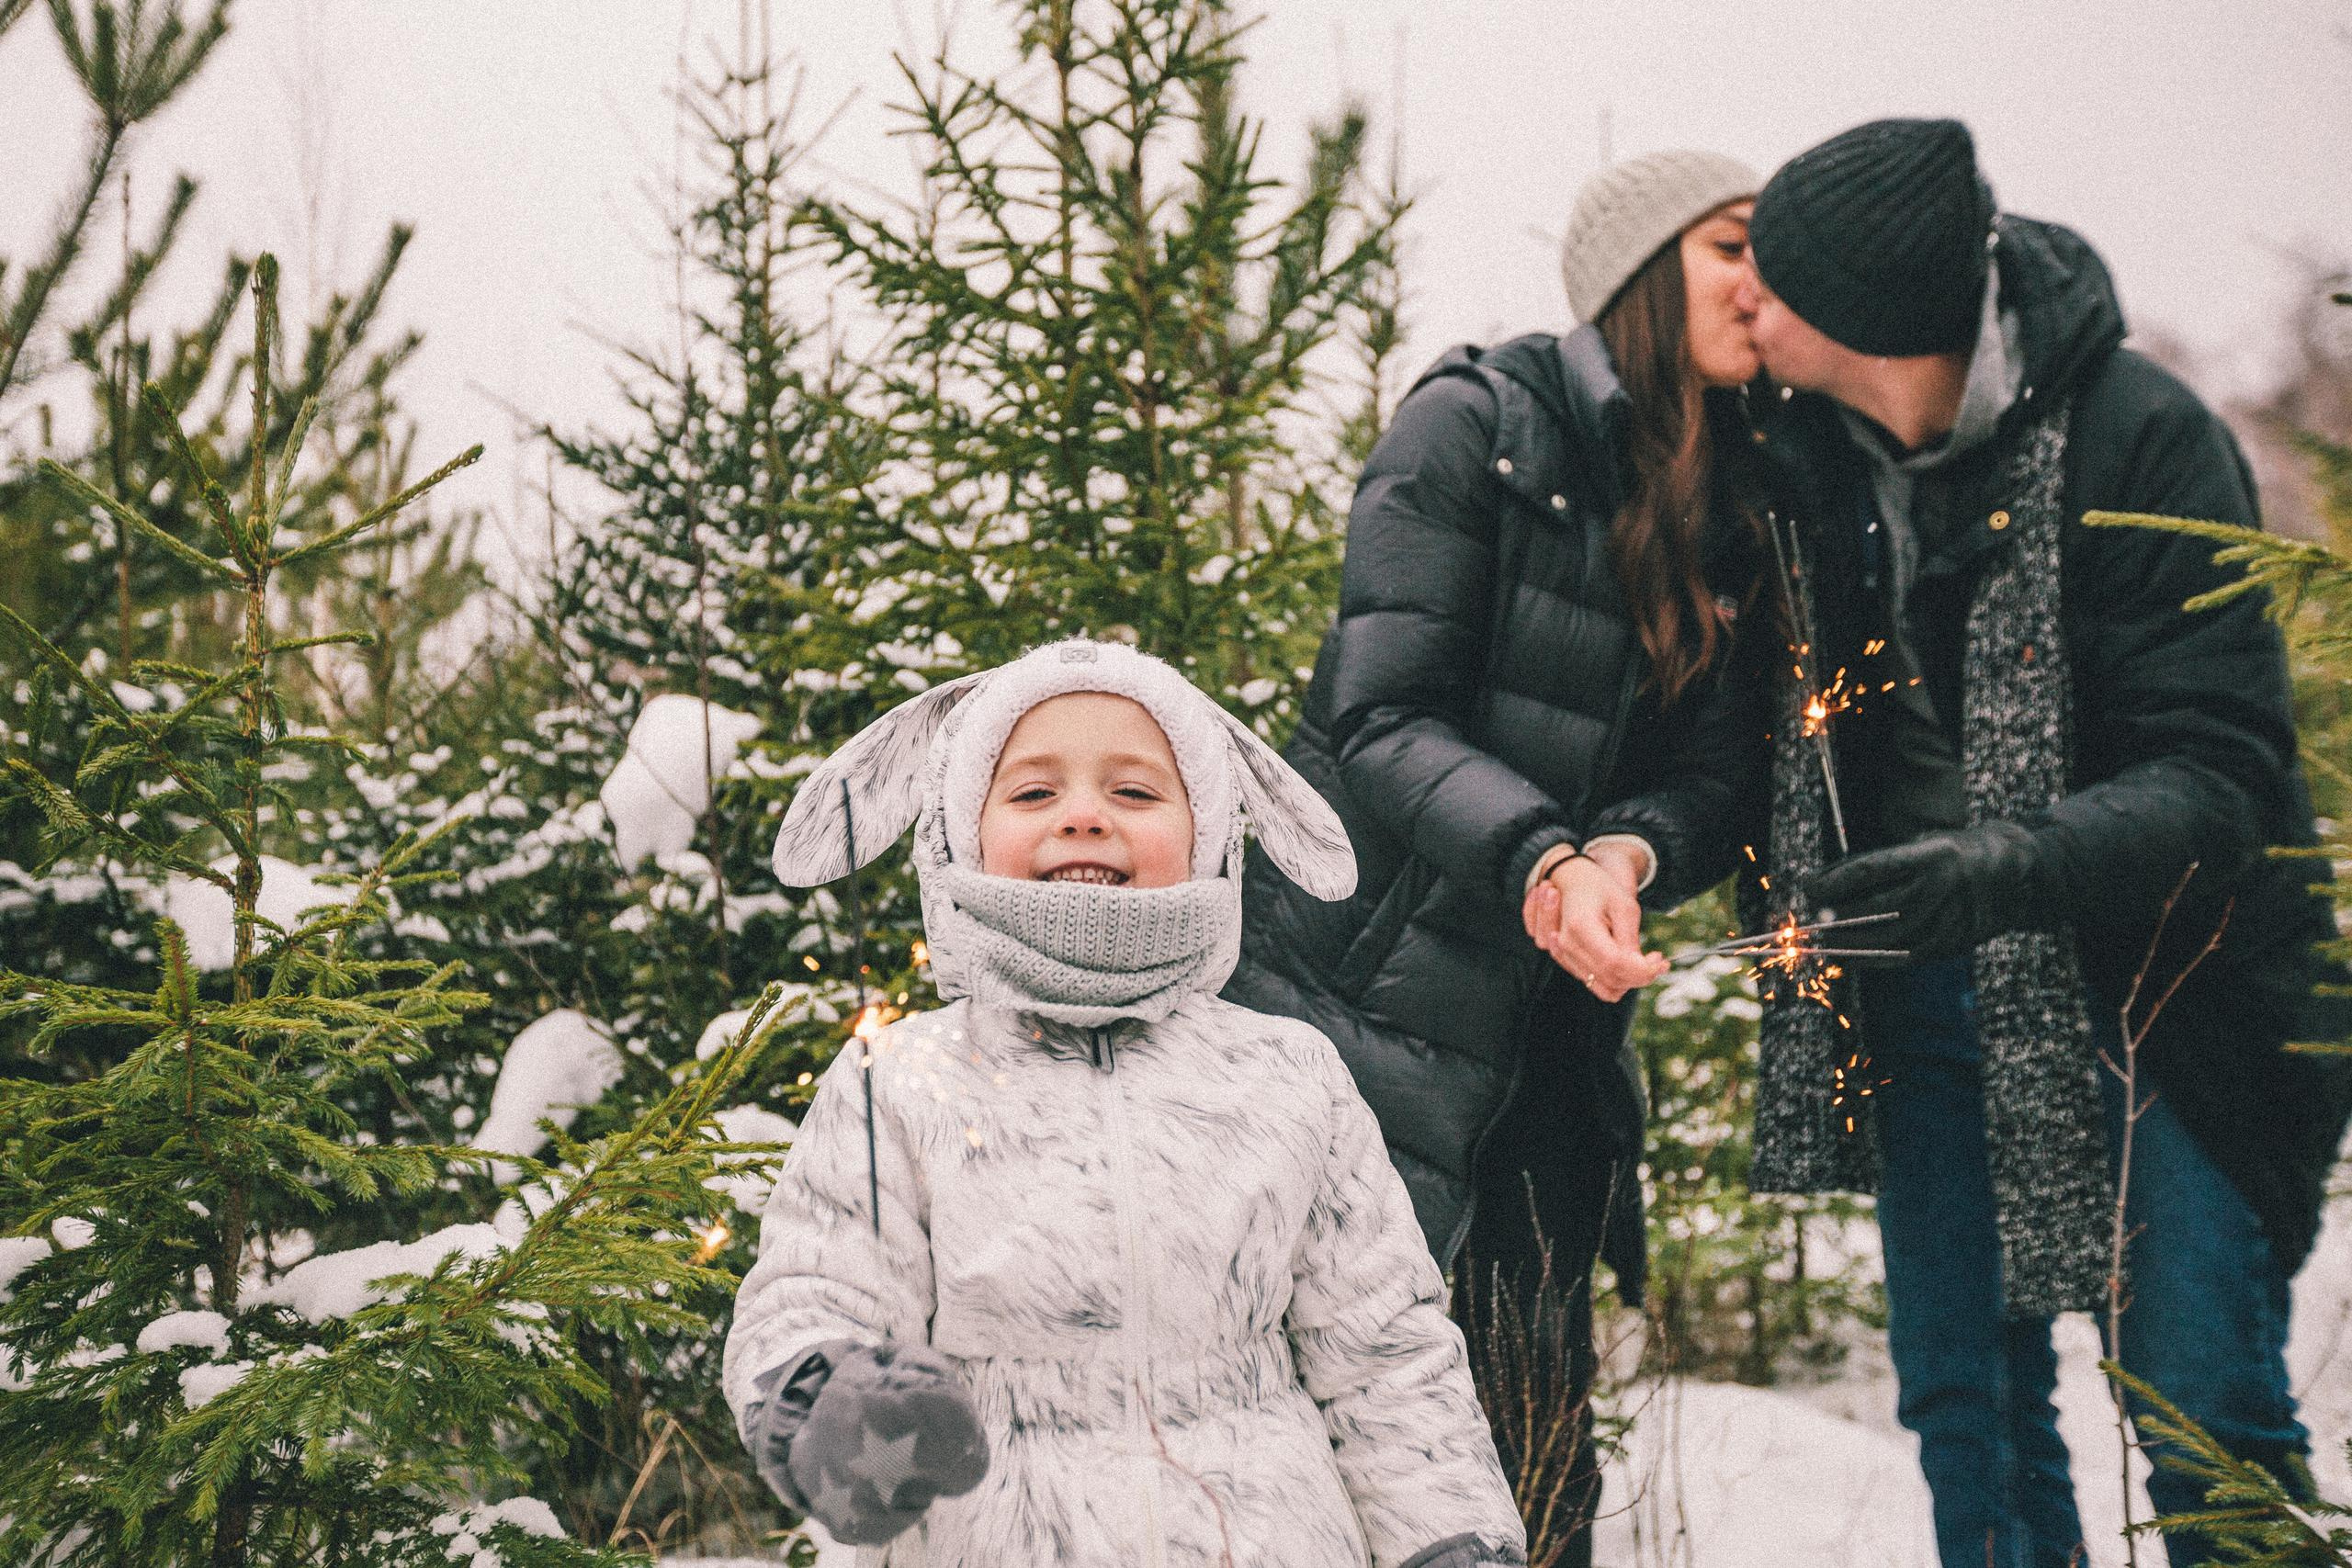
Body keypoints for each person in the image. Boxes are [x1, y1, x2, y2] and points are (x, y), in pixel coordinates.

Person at [1739, 117, 2352, 1568]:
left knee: (2207, 1407)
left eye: (1775, 281)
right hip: (1927, 991)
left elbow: (2218, 772)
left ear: (1870, 316)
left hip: (2159, 995)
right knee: (1970, 1405)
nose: (1745, 304)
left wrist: (2001, 869)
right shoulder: (1800, 451)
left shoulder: (2141, 435)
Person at [1226, 150, 1773, 1564]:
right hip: (1361, 996)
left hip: (1555, 1030)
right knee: (1336, 1419)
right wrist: (1540, 855)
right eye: (1730, 246)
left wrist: (1628, 853)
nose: (1763, 279)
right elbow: (1375, 712)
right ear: (1640, 270)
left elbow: (1723, 772)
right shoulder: (1477, 426)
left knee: (1533, 1444)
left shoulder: (1744, 492)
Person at [727, 638, 1527, 1568]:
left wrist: (1450, 1537)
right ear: (958, 831)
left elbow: (1382, 1353)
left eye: (1135, 793)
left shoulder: (1287, 1076)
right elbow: (817, 1287)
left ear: (1211, 835)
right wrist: (828, 1398)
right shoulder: (899, 1080)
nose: (1082, 817)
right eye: (1032, 793)